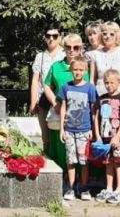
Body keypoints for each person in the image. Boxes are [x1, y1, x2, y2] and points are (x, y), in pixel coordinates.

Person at [42, 34, 90, 172]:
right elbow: (47, 86)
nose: (72, 50)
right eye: (68, 47)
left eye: (76, 47)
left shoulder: (86, 66)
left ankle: (80, 181)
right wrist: (55, 103)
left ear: (81, 48)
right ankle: (60, 178)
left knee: (80, 149)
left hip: (80, 116)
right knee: (60, 146)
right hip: (60, 113)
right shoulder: (56, 67)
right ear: (64, 48)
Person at [58, 56, 97, 201]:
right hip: (69, 129)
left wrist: (93, 128)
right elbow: (63, 108)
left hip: (84, 129)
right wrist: (62, 128)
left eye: (81, 70)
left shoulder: (90, 88)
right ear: (71, 71)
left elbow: (93, 110)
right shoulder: (66, 87)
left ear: (85, 71)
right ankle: (71, 187)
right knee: (71, 159)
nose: (78, 72)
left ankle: (84, 187)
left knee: (84, 160)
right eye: (75, 70)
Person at [94, 69, 120, 204]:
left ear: (119, 83)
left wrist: (118, 136)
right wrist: (98, 136)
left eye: (112, 83)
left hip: (117, 139)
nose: (109, 85)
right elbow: (96, 118)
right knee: (108, 163)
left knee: (118, 163)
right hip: (104, 138)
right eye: (106, 83)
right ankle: (108, 188)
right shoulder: (101, 98)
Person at [29, 22, 65, 152]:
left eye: (55, 36)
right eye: (48, 35)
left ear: (60, 37)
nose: (51, 39)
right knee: (45, 134)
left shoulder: (65, 54)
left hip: (62, 98)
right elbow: (35, 80)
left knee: (62, 131)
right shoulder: (40, 56)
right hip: (44, 99)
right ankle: (47, 161)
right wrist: (33, 102)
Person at [89, 21, 120, 96]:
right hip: (101, 97)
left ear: (117, 35)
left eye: (111, 34)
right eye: (104, 34)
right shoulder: (95, 54)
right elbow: (92, 80)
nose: (108, 36)